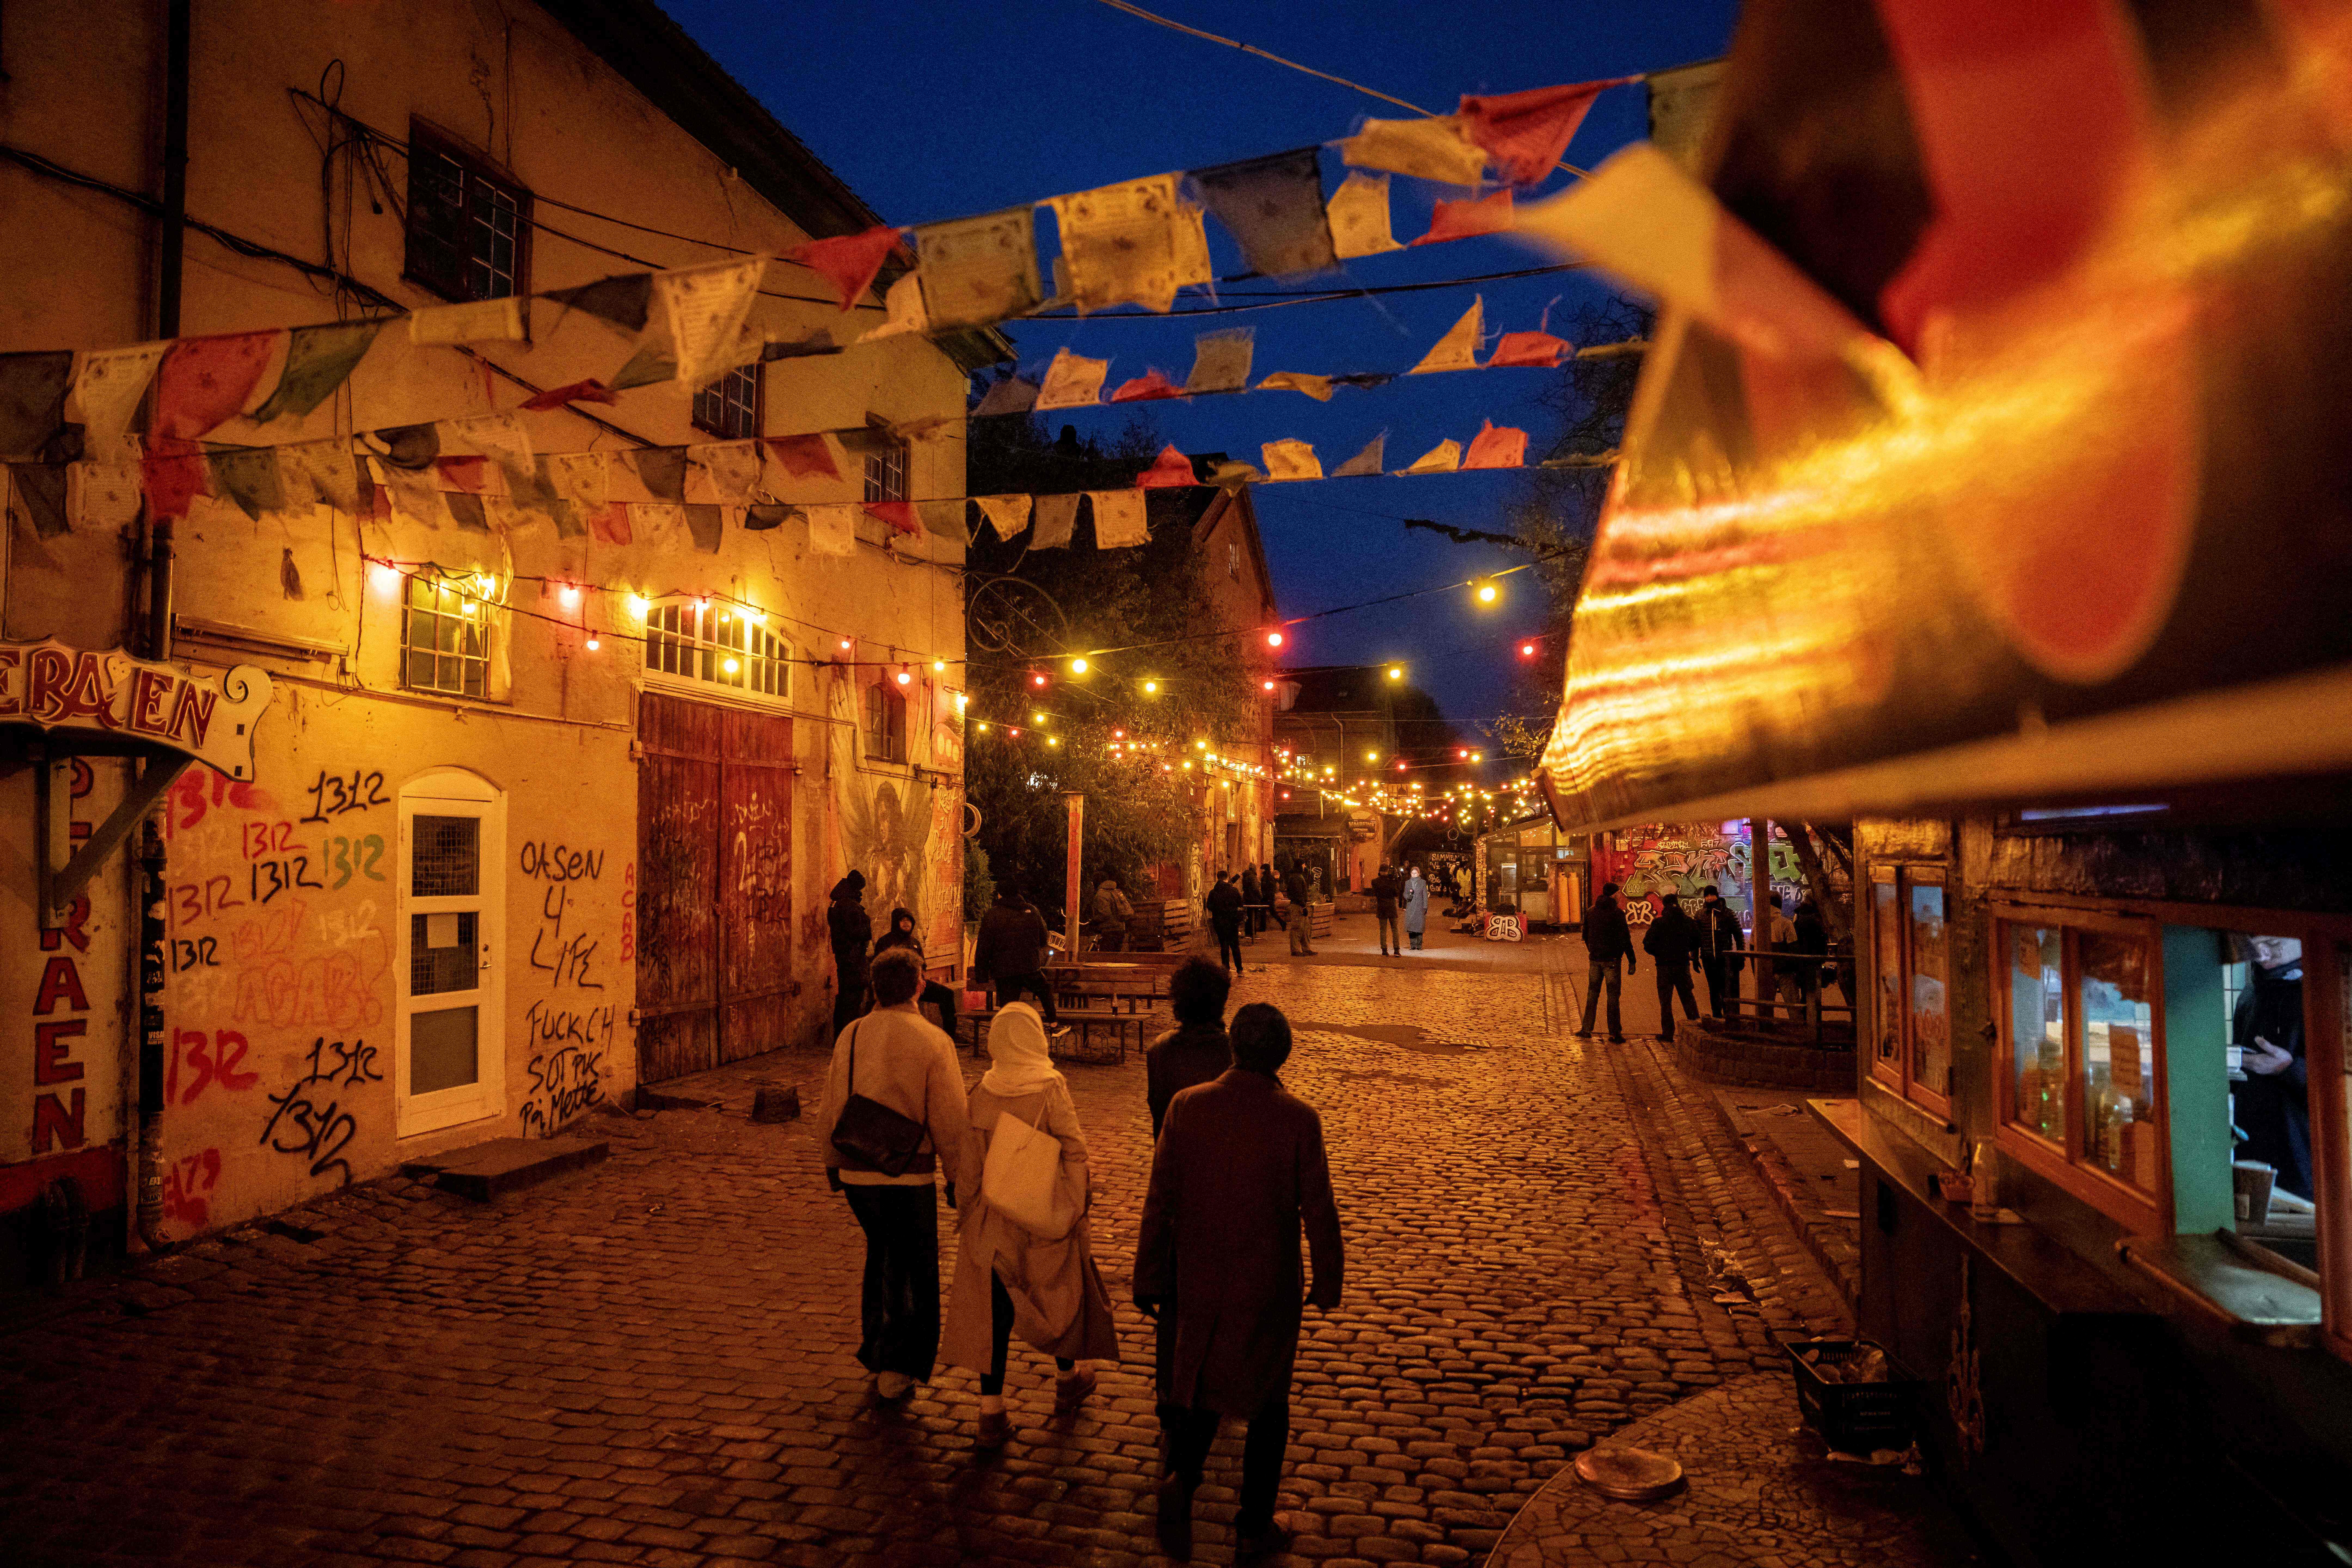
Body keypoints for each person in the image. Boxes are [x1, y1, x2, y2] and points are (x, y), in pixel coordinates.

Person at [1136, 1003, 1342, 1561]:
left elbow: (1162, 1200)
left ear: (1233, 1047)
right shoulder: (1298, 1118)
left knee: (1201, 1388)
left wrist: (1149, 1274)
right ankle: (1253, 1525)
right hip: (1267, 1279)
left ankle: (1184, 1478)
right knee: (1267, 1405)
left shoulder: (1186, 1107)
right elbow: (1318, 1210)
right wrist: (1328, 1280)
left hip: (1199, 1270)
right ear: (1283, 1053)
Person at [942, 1001, 1119, 1446]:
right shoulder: (1050, 1087)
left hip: (993, 1222)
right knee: (1054, 1297)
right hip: (1043, 1217)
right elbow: (1074, 1148)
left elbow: (969, 1167)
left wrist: (967, 1212)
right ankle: (1069, 1381)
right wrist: (1074, 1205)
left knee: (994, 1315)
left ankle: (992, 1413)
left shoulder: (982, 1091)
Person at [815, 948, 973, 1402]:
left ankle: (879, 1349)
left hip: (858, 1174)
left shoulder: (853, 1033)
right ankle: (897, 1362)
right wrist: (957, 1179)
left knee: (882, 1258)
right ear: (919, 986)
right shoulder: (932, 1040)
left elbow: (831, 1104)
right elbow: (949, 1119)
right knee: (914, 1271)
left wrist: (831, 1161)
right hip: (908, 1176)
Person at [2235, 935, 2311, 1198]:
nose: (2263, 955)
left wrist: (2288, 1069)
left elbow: (2342, 1091)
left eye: (2274, 945)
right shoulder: (2249, 993)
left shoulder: (2327, 994)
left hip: (2301, 1156)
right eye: (2255, 947)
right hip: (2249, 1150)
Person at [975, 887, 1062, 1029]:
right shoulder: (1032, 911)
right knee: (1045, 990)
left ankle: (1006, 1037)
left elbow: (984, 946)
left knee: (1008, 1006)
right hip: (1029, 967)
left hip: (1004, 970)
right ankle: (1054, 1023)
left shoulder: (992, 915)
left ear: (1000, 895)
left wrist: (982, 973)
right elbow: (1044, 939)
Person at [873, 905, 957, 1040]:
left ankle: (950, 1037)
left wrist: (922, 979)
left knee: (947, 994)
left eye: (909, 921)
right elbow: (882, 970)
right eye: (903, 921)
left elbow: (923, 966)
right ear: (896, 922)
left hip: (917, 984)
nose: (906, 924)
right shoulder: (886, 942)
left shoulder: (915, 942)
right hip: (897, 988)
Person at [1576, 883, 1635, 1042]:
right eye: (1618, 893)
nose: (1619, 895)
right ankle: (1615, 1033)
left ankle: (1586, 1029)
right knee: (1613, 997)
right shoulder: (1617, 914)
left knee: (1592, 995)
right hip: (1612, 961)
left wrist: (1593, 950)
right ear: (1614, 895)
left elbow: (1586, 936)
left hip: (1595, 960)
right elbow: (1625, 939)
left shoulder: (1591, 912)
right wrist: (1632, 959)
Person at [1642, 896, 1703, 1042]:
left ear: (1664, 906)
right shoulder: (1688, 922)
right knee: (1688, 997)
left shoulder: (1659, 923)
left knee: (1666, 1002)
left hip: (1664, 967)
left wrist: (1659, 953)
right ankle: (1696, 1029)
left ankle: (1668, 1033)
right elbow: (1698, 941)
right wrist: (1687, 950)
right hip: (1682, 965)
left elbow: (1647, 944)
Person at [828, 871, 875, 1040]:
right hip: (852, 957)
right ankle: (848, 1037)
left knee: (846, 997)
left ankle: (841, 1036)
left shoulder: (838, 903)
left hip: (845, 956)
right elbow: (859, 933)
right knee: (852, 998)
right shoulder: (848, 906)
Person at [1695, 886, 1745, 1020]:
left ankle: (1729, 1015)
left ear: (1717, 896)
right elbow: (1696, 939)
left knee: (1726, 988)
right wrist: (1695, 958)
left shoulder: (1728, 914)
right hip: (1708, 958)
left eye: (1712, 895)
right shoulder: (1700, 915)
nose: (1710, 897)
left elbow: (1739, 936)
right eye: (1707, 895)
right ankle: (1717, 1015)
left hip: (1725, 958)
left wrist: (1741, 957)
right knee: (1713, 988)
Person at [1205, 872, 1246, 975]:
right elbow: (1241, 903)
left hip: (1219, 922)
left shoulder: (1213, 892)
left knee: (1224, 946)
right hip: (1233, 921)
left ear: (1218, 878)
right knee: (1235, 946)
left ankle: (1226, 969)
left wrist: (1218, 910)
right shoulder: (1234, 891)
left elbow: (1209, 906)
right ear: (1227, 878)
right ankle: (1240, 969)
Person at [1761, 893, 1800, 1003]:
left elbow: (1753, 949)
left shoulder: (1758, 925)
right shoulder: (1786, 924)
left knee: (1766, 1007)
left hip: (1766, 971)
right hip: (1785, 972)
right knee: (1794, 1007)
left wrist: (1758, 973)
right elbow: (1794, 949)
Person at [1791, 898, 1830, 1004]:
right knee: (1815, 990)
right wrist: (1824, 955)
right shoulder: (1816, 918)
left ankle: (1805, 1014)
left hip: (1801, 959)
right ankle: (1815, 1016)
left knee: (1805, 989)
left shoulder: (1798, 916)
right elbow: (1822, 938)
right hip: (1815, 959)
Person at [1282, 861, 1316, 956]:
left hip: (1300, 905)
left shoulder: (1298, 876)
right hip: (1298, 906)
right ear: (1300, 866)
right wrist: (1304, 906)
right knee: (1297, 928)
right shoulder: (1296, 877)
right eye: (1304, 865)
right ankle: (1295, 950)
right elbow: (1298, 893)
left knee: (1306, 928)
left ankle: (1306, 948)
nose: (1305, 867)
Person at [1092, 877, 1135, 954]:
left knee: (1106, 959)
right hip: (1121, 930)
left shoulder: (1101, 894)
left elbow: (1105, 914)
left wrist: (1094, 920)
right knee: (1115, 958)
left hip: (1109, 931)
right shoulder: (1116, 892)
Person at [1370, 864, 1403, 957]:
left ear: (1380, 871)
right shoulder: (1392, 882)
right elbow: (1397, 893)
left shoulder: (1375, 882)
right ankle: (1397, 950)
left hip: (1382, 907)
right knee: (1395, 929)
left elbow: (1375, 894)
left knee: (1383, 930)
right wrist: (1396, 880)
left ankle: (1384, 950)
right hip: (1391, 907)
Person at [1402, 865, 1430, 952]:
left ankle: (1419, 946)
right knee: (1411, 926)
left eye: (1416, 873)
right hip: (1411, 907)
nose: (1414, 875)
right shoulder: (1408, 883)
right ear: (1411, 874)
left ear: (1419, 874)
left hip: (1420, 907)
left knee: (1419, 926)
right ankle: (1413, 945)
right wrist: (1408, 897)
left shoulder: (1423, 883)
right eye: (1413, 873)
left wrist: (1425, 907)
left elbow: (1425, 896)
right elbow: (1405, 894)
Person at [1238, 864, 1263, 939]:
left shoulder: (1246, 877)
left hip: (1247, 898)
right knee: (1254, 916)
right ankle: (1253, 933)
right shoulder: (1253, 877)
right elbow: (1256, 889)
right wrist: (1261, 896)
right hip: (1254, 899)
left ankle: (1248, 933)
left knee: (1249, 915)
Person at [1261, 863, 1284, 932]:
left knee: (1270, 913)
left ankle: (1283, 923)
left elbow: (1268, 889)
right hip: (1269, 898)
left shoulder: (1267, 878)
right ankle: (1263, 928)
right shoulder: (1269, 878)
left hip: (1267, 898)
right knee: (1268, 913)